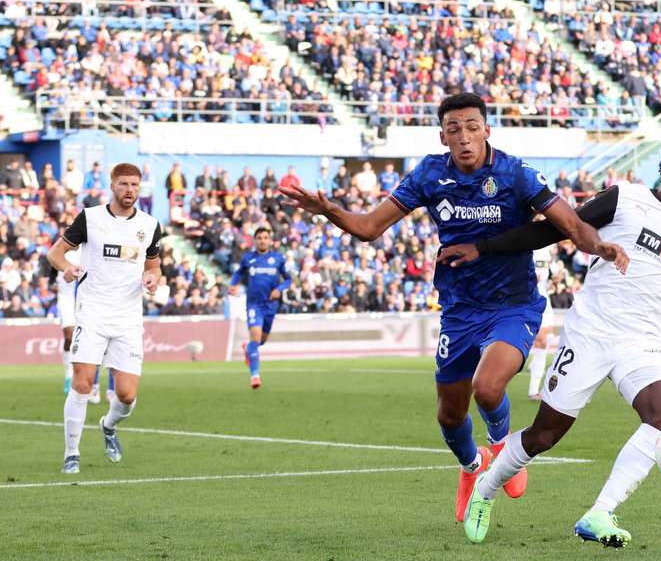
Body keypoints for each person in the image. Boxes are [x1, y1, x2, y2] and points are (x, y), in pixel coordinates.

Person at [280, 92, 628, 522]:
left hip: (513, 304)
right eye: (454, 129)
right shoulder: (429, 174)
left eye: (471, 127)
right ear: (442, 136)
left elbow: (571, 223)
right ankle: (471, 466)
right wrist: (329, 210)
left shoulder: (516, 174)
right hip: (460, 309)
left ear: (487, 130)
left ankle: (501, 447)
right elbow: (369, 228)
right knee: (449, 414)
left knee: (488, 387)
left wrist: (601, 246)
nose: (464, 137)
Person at [438, 133, 661, 547]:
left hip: (641, 343)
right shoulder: (625, 197)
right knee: (544, 435)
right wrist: (484, 247)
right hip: (589, 334)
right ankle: (485, 489)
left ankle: (599, 513)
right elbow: (555, 230)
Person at [48, 163, 162, 474]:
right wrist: (66, 267)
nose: (130, 190)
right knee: (83, 383)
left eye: (135, 185)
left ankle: (108, 426)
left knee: (126, 395)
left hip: (127, 317)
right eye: (124, 184)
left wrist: (153, 279)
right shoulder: (91, 218)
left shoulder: (150, 225)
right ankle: (72, 453)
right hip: (93, 313)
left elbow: (154, 267)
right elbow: (55, 253)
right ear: (112, 185)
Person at [228, 226, 290, 389]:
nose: (262, 240)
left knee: (261, 341)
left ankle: (248, 348)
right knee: (255, 339)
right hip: (254, 304)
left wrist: (279, 289)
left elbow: (288, 279)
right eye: (259, 238)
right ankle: (255, 375)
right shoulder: (248, 258)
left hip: (270, 306)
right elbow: (238, 273)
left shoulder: (278, 259)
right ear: (255, 241)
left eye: (265, 237)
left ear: (270, 240)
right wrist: (233, 284)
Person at [56, 246, 113, 403]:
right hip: (66, 298)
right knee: (69, 335)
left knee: (85, 338)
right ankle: (69, 374)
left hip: (84, 297)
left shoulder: (87, 249)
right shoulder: (60, 250)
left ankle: (86, 380)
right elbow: (49, 271)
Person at [526, 244, 556, 401]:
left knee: (544, 340)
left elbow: (549, 274)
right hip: (525, 300)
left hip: (543, 298)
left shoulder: (547, 248)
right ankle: (534, 388)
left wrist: (553, 278)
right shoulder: (524, 245)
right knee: (540, 340)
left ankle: (534, 389)